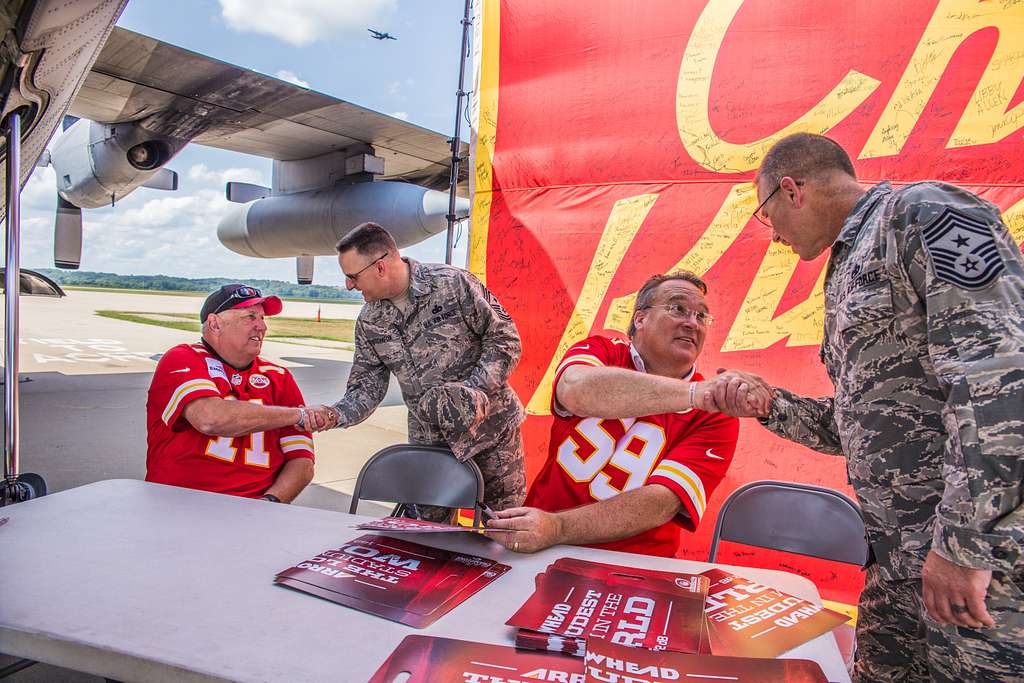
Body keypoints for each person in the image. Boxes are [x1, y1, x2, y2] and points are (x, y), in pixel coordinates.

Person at [709, 133, 1023, 682]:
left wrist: (962, 545)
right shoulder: (850, 262)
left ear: (791, 191)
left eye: (766, 216)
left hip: (977, 568)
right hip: (899, 564)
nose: (774, 237)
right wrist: (769, 404)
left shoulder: (922, 214)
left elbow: (999, 383)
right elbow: (871, 424)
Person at [484, 271, 765, 557]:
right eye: (678, 308)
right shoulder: (602, 350)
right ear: (640, 318)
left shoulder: (716, 414)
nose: (692, 323)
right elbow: (576, 391)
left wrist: (558, 527)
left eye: (702, 316)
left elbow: (662, 503)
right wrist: (693, 394)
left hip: (634, 565)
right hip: (538, 545)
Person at [311, 222, 526, 520]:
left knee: (506, 529)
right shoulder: (371, 322)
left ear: (381, 266)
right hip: (431, 444)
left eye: (352, 276)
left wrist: (472, 393)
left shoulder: (452, 284)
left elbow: (505, 339)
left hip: (492, 433)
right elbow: (367, 388)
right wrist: (335, 414)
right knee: (428, 536)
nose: (349, 285)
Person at [146, 284, 319, 503]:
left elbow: (302, 462)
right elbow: (210, 419)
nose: (262, 327)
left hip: (256, 512)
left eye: (263, 318)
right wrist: (298, 415)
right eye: (250, 317)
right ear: (214, 324)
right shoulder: (182, 358)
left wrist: (269, 503)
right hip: (180, 506)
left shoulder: (279, 376)